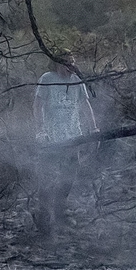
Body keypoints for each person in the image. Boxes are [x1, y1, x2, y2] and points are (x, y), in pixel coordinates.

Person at [30, 62, 98, 236]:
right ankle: (43, 217)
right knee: (46, 176)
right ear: (57, 64)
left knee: (69, 175)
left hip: (72, 136)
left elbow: (85, 106)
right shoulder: (47, 79)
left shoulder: (77, 81)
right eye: (65, 63)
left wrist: (94, 129)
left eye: (72, 63)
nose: (69, 67)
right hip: (51, 138)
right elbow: (37, 106)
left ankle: (59, 212)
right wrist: (40, 131)